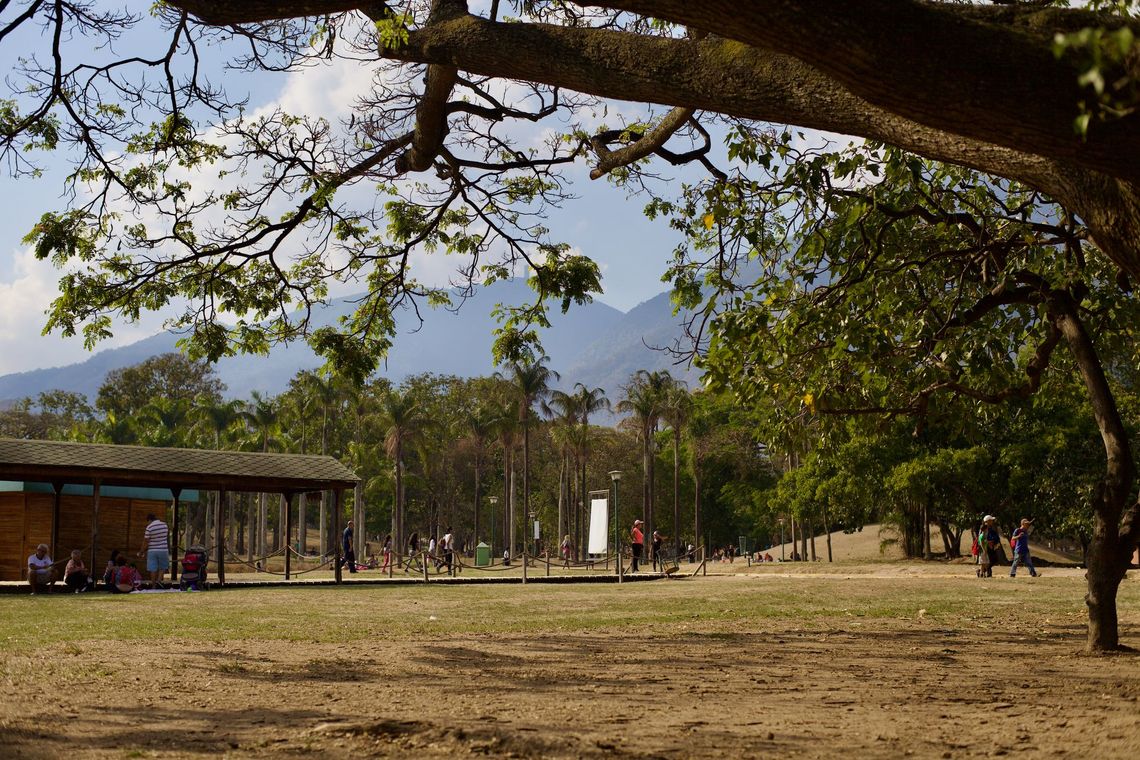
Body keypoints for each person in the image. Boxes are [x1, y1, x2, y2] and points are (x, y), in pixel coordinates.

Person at [138, 512, 170, 589]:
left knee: (152, 568)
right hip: (163, 549)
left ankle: (153, 585)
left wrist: (141, 551)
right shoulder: (164, 525)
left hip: (152, 550)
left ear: (149, 520)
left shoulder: (149, 527)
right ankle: (159, 580)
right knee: (163, 566)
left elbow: (146, 541)